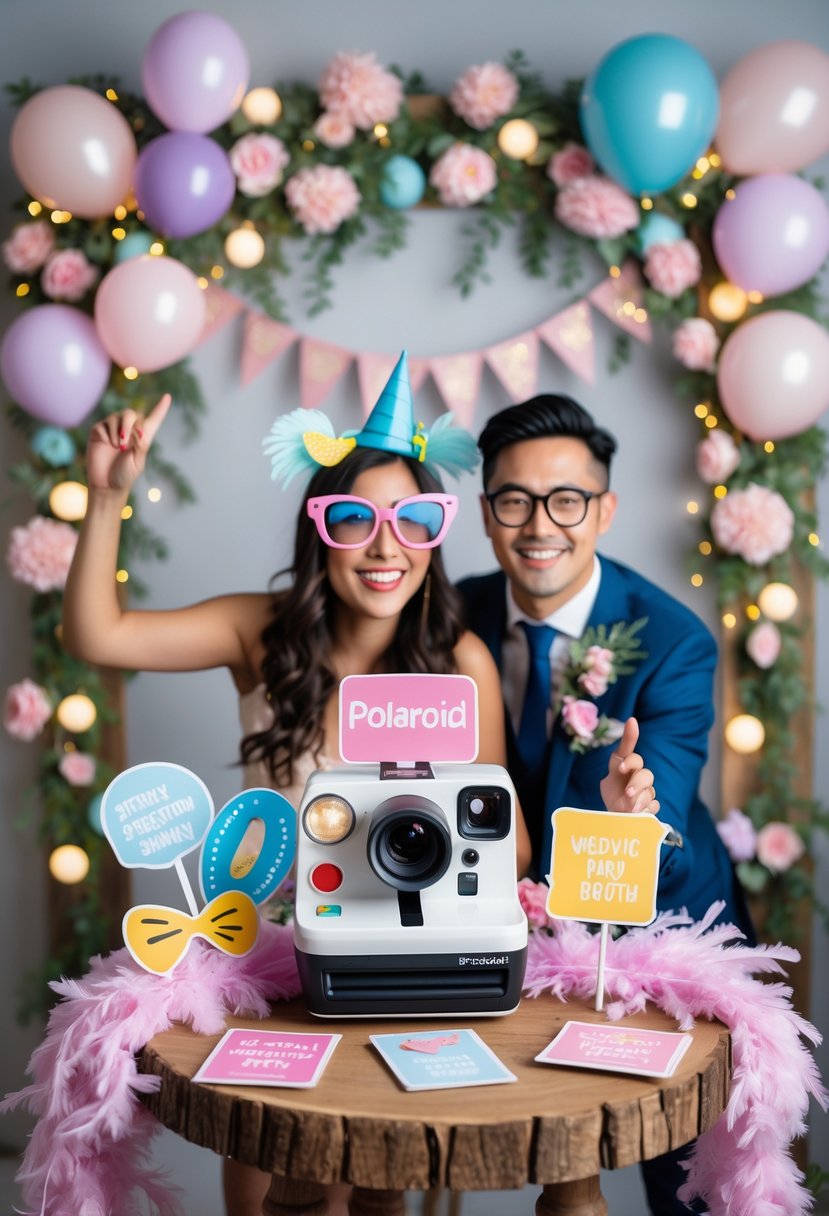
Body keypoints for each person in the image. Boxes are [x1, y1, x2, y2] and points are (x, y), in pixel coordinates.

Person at [63, 358, 660, 1216]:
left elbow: (509, 849)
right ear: (321, 532)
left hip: (404, 958)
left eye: (413, 521)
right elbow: (98, 632)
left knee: (377, 1190)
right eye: (355, 519)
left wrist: (590, 822)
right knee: (281, 1191)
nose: (385, 546)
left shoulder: (458, 662)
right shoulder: (261, 630)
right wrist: (107, 495)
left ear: (434, 537)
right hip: (275, 962)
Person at [457, 392, 754, 1216]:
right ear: (486, 513)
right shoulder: (454, 616)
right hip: (506, 939)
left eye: (567, 500)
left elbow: (657, 839)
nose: (539, 525)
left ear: (604, 508)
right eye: (513, 500)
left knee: (688, 1185)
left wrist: (634, 822)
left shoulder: (671, 641)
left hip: (660, 931)